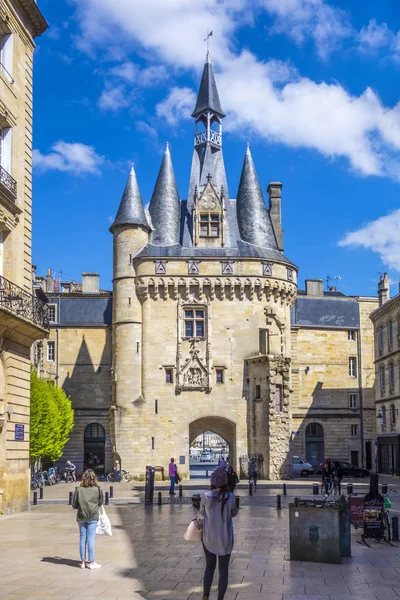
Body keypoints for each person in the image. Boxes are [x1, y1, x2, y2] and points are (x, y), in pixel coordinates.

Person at [198, 466, 238, 600]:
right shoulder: (230, 497)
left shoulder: (206, 496)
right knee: (223, 570)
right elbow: (234, 513)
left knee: (209, 566)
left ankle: (205, 596)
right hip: (225, 538)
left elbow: (201, 514)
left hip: (208, 537)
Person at [72, 469, 104, 570]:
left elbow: (74, 505)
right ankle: (92, 562)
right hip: (93, 516)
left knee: (82, 539)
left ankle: (82, 562)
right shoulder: (98, 489)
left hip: (81, 516)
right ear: (94, 478)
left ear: (84, 478)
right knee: (90, 539)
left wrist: (82, 507)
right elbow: (101, 502)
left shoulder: (78, 489)